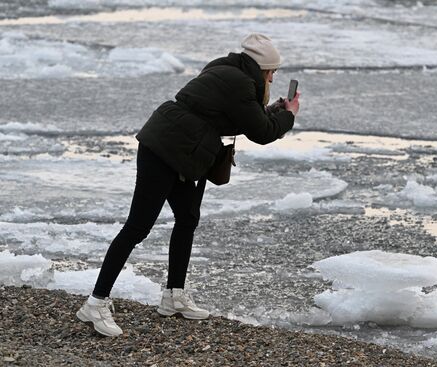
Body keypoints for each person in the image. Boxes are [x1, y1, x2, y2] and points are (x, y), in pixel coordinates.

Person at [76, 33, 300, 337]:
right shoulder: (239, 82)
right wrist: (289, 117)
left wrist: (274, 111)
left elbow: (241, 118)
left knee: (187, 217)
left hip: (182, 149)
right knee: (138, 226)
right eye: (272, 71)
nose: (273, 77)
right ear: (262, 69)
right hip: (165, 148)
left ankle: (173, 296)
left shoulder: (227, 70)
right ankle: (95, 302)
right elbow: (261, 133)